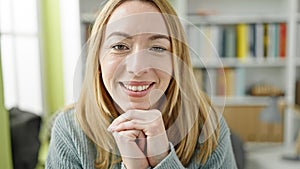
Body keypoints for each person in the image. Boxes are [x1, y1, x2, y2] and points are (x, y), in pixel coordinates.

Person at [46, 0, 237, 168]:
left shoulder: (210, 129)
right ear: (98, 61)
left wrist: (163, 160)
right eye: (119, 46)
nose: (137, 68)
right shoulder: (70, 129)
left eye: (157, 48)